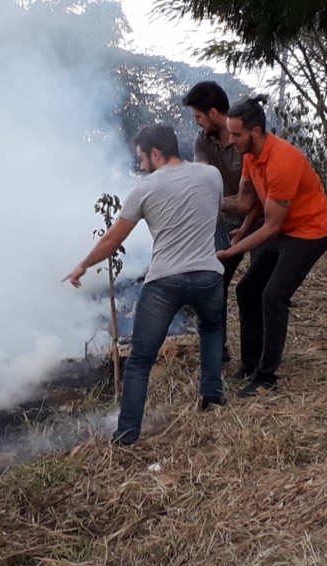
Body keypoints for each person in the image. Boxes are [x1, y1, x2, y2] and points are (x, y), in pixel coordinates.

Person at [64, 123, 226, 444]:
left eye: (141, 159)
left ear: (156, 153)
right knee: (211, 330)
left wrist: (82, 265)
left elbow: (112, 240)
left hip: (165, 281)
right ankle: (212, 397)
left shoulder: (144, 190)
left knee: (139, 361)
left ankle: (126, 435)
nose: (140, 166)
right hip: (210, 275)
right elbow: (211, 211)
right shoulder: (212, 176)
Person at [217, 95, 327, 398]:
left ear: (256, 132)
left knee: (273, 295)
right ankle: (250, 364)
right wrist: (243, 228)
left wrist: (236, 249)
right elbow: (254, 200)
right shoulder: (250, 155)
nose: (231, 140)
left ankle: (266, 378)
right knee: (247, 290)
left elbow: (271, 226)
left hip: (310, 231)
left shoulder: (283, 161)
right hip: (284, 227)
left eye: (236, 134)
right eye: (230, 133)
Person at [182, 81, 261, 363]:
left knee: (257, 290)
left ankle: (258, 358)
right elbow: (202, 181)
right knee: (215, 283)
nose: (197, 123)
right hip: (223, 222)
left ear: (213, 113)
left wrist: (211, 201)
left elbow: (246, 202)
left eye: (199, 117)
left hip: (261, 220)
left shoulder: (247, 138)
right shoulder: (203, 140)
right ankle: (218, 352)